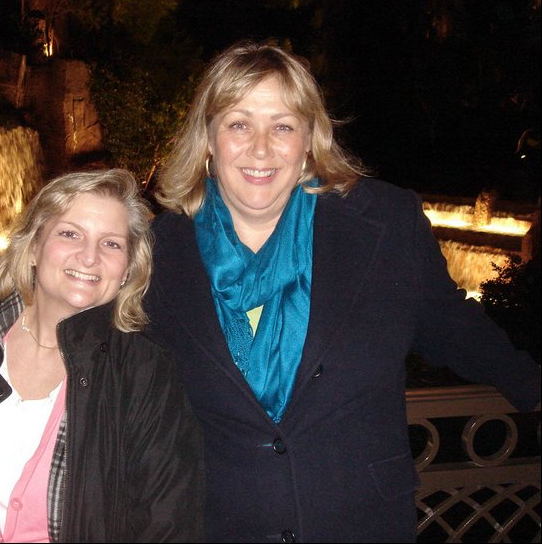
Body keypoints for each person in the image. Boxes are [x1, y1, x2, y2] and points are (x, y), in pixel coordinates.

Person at [144, 41, 541, 543]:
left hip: (361, 520)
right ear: (208, 139)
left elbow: (450, 326)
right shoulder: (158, 251)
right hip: (217, 524)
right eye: (239, 124)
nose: (261, 148)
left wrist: (530, 384)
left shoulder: (382, 224)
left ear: (310, 139)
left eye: (283, 126)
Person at [0, 169, 205, 543]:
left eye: (111, 244)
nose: (89, 256)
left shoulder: (145, 372)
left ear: (127, 270)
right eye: (70, 233)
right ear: (33, 246)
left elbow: (168, 524)